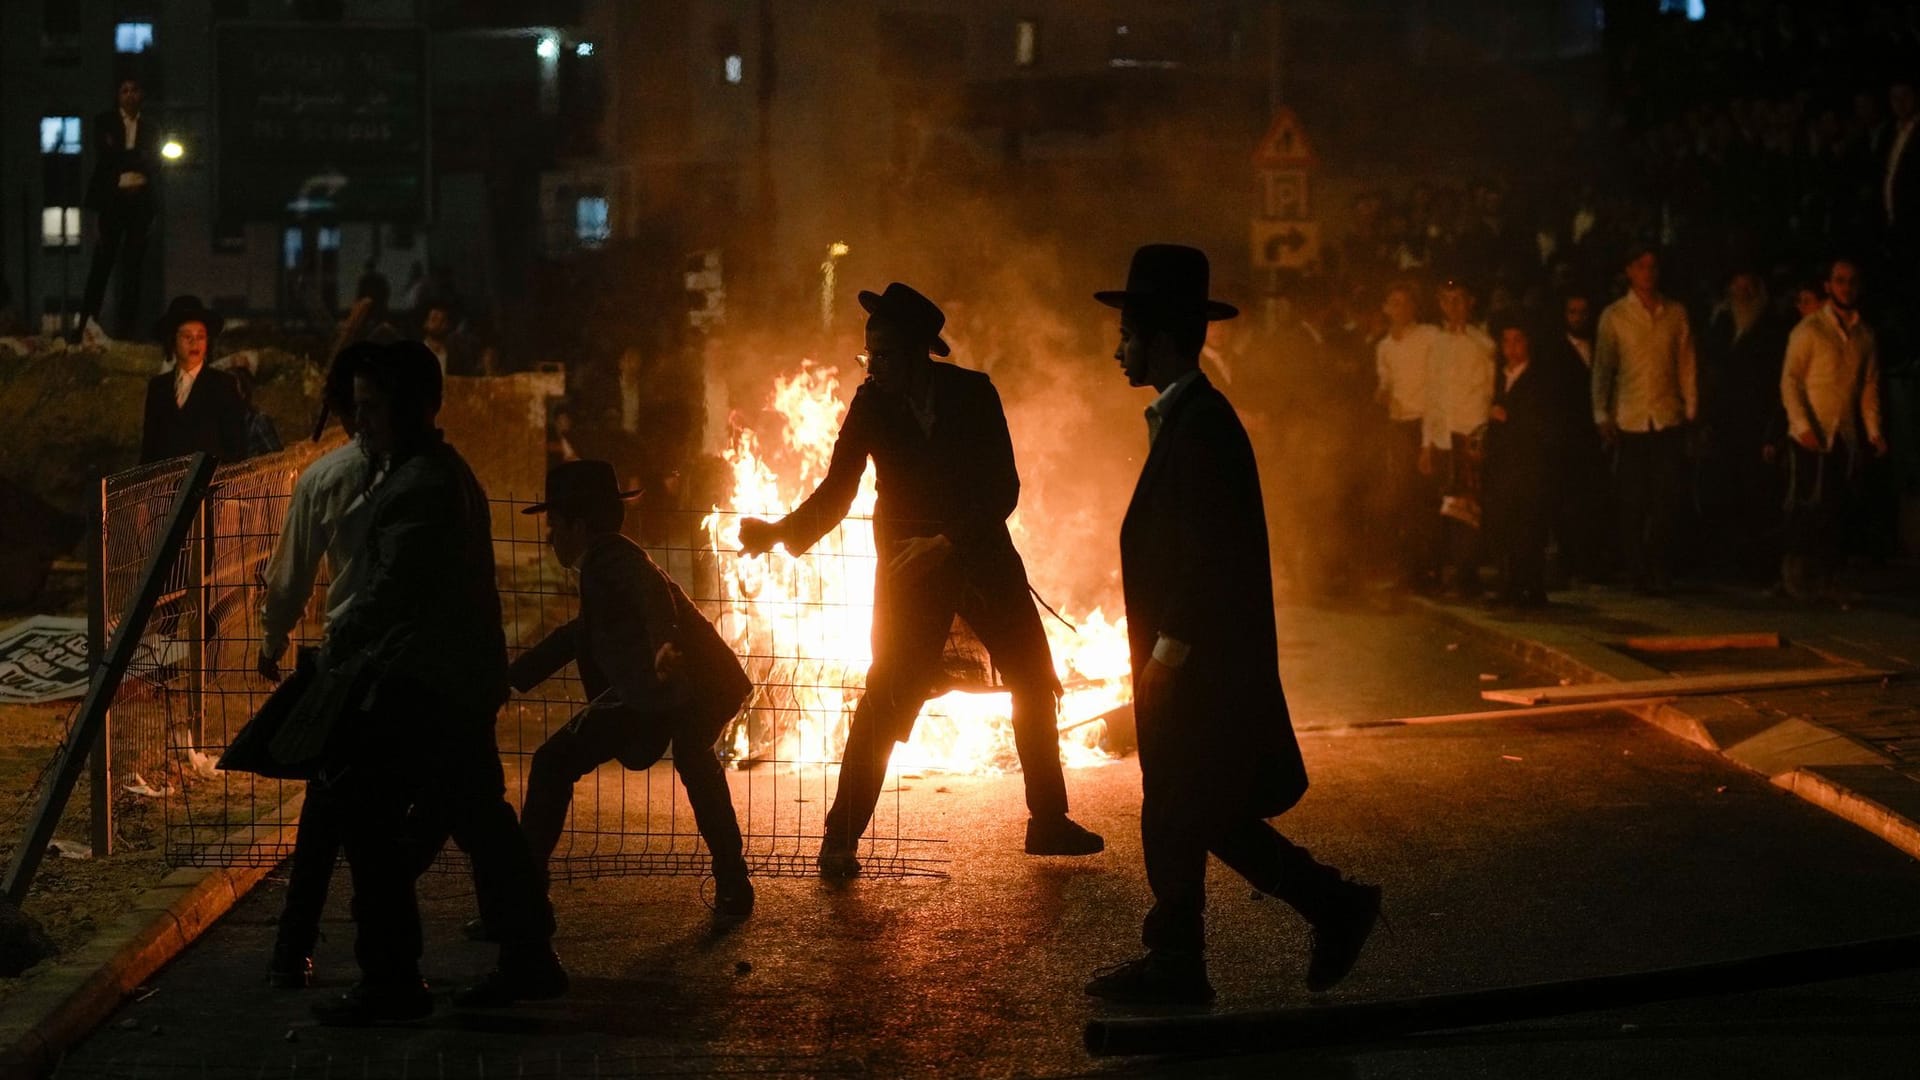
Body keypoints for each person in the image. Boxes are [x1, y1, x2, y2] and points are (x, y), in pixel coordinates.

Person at [1085, 245, 1379, 1005]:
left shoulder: (1203, 425)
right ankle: (1322, 909)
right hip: (1197, 664)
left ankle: (1188, 959)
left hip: (1202, 668)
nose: (1118, 348)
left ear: (1162, 336)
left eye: (1128, 333)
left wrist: (1168, 655)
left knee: (1186, 806)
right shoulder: (1184, 419)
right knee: (1200, 810)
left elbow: (1210, 555)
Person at [738, 282, 1103, 877]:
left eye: (882, 356)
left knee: (1035, 679)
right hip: (911, 573)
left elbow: (1003, 488)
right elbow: (837, 490)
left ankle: (1049, 822)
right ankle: (840, 837)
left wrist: (949, 541)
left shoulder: (974, 394)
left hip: (981, 559)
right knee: (886, 696)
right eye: (867, 356)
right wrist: (779, 532)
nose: (871, 367)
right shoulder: (870, 406)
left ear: (918, 353)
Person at [308, 341, 565, 1024]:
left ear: (410, 409)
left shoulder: (421, 483)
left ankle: (394, 979)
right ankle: (527, 956)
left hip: (426, 683)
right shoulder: (427, 472)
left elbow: (393, 589)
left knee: (370, 818)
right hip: (448, 677)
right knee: (482, 820)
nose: (358, 423)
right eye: (355, 408)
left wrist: (337, 640)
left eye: (370, 409)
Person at [506, 460, 755, 928]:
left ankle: (521, 904)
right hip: (670, 687)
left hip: (685, 684)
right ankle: (733, 881)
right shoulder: (604, 562)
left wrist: (663, 644)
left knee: (560, 762)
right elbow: (579, 633)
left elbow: (653, 593)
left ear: (579, 525)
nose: (550, 536)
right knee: (692, 760)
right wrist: (515, 675)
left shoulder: (612, 559)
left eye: (554, 524)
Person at [255, 343, 383, 990]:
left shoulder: (326, 477)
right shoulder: (434, 473)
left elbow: (290, 576)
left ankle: (297, 950)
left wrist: (272, 640)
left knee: (330, 812)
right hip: (415, 661)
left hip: (351, 663)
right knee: (448, 804)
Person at [1591, 244, 1697, 594]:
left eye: (1653, 266)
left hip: (1667, 415)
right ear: (1630, 271)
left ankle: (1660, 566)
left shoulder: (1675, 313)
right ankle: (1636, 568)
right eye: (1641, 266)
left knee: (1667, 498)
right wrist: (1602, 413)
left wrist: (1691, 408)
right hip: (1631, 417)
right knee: (1632, 500)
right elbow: (1604, 367)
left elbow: (1685, 363)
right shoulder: (1615, 315)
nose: (1648, 273)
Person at [1780, 258, 1887, 597]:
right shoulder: (1809, 329)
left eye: (1851, 281)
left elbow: (1868, 387)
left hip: (1845, 433)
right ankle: (1798, 574)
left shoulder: (1864, 334)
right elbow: (1790, 380)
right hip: (1812, 431)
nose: (1846, 287)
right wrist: (1801, 425)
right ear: (1828, 285)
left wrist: (1873, 431)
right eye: (1839, 280)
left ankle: (1828, 575)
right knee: (1809, 504)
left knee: (1837, 506)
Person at [1484, 320, 1571, 607]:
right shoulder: (1499, 377)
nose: (1511, 348)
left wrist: (1508, 418)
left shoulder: (1539, 380)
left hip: (1531, 465)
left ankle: (1531, 586)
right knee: (1506, 525)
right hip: (1503, 466)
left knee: (1530, 527)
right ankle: (1511, 583)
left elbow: (1545, 423)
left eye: (1518, 341)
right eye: (1506, 341)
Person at [1420, 279, 1496, 598]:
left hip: (1470, 433)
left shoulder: (1483, 344)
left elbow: (1490, 392)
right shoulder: (1436, 344)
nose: (1453, 308)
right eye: (1447, 300)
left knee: (1469, 507)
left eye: (1459, 300)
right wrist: (1426, 443)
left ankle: (1467, 574)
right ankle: (1446, 571)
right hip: (1442, 436)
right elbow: (1431, 394)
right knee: (1444, 507)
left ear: (1470, 303)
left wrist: (1480, 435)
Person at [72, 78, 157, 344]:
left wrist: (129, 158)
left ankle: (126, 331)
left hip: (140, 204)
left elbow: (153, 160)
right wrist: (134, 158)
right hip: (112, 201)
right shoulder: (104, 122)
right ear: (118, 95)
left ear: (141, 94)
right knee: (102, 263)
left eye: (135, 90)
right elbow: (108, 158)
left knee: (133, 268)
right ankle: (86, 323)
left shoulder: (151, 127)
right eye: (125, 90)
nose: (130, 96)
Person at [1375, 282, 1441, 590]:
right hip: (1399, 426)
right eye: (1393, 302)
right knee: (1401, 498)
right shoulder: (1384, 346)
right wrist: (1383, 394)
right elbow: (1386, 382)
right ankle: (1408, 567)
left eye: (1404, 302)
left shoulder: (1430, 336)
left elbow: (1436, 382)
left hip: (1426, 423)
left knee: (1425, 499)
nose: (1398, 309)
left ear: (1414, 307)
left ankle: (1429, 567)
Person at [140, 296, 248, 464]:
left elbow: (236, 447)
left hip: (209, 485)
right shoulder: (158, 387)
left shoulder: (223, 385)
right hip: (168, 485)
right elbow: (149, 449)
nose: (194, 343)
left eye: (200, 336)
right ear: (173, 341)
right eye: (186, 336)